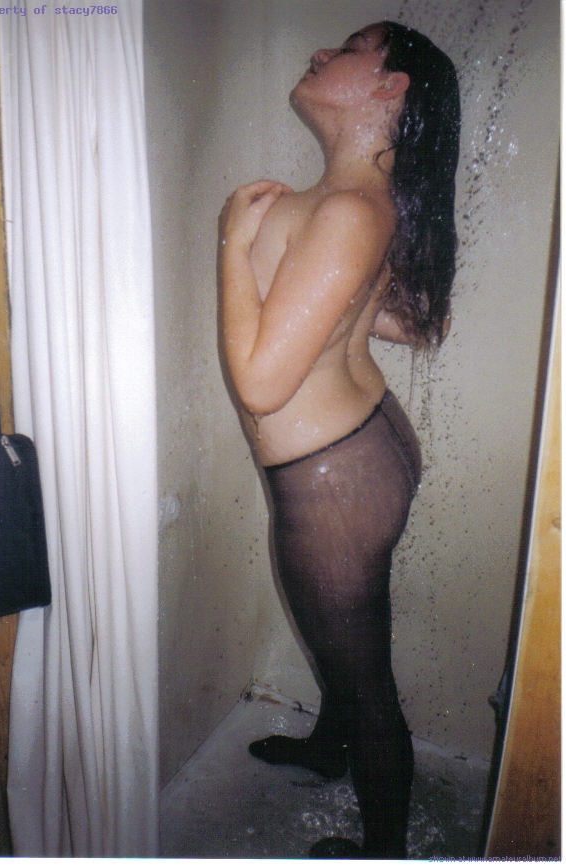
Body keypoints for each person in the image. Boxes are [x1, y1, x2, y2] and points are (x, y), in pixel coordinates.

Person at [218, 20, 460, 859]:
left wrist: (232, 244)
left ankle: (384, 848)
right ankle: (330, 745)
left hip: (334, 484)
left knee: (365, 675)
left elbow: (260, 384)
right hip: (358, 455)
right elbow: (413, 322)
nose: (321, 53)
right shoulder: (356, 205)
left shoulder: (349, 209)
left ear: (390, 89)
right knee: (347, 636)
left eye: (351, 48)